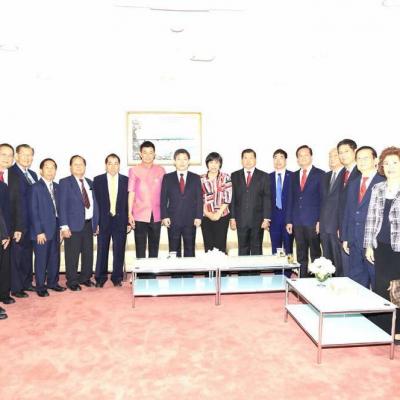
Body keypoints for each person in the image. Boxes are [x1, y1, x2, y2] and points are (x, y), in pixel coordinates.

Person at [364, 146, 400, 342]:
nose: (390, 167)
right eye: (387, 163)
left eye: (395, 163)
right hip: (381, 246)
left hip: (398, 248)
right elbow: (371, 218)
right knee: (380, 286)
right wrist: (369, 244)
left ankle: (398, 330)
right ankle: (382, 328)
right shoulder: (378, 188)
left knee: (398, 289)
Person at [341, 146, 384, 289]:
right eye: (359, 158)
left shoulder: (383, 182)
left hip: (374, 242)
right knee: (357, 283)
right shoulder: (353, 183)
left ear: (375, 160)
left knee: (377, 282)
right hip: (354, 240)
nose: (362, 161)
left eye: (366, 158)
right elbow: (348, 211)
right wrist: (345, 237)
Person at [59, 155, 99, 291]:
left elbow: (95, 204)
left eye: (81, 164)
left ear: (85, 167)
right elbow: (62, 205)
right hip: (72, 225)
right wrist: (64, 226)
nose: (78, 167)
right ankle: (72, 281)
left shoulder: (90, 182)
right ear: (70, 167)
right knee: (72, 255)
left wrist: (96, 223)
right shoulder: (65, 182)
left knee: (88, 253)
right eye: (75, 164)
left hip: (88, 224)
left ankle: (85, 278)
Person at [286, 145, 324, 278]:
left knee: (315, 254)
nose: (303, 158)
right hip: (297, 222)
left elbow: (323, 199)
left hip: (313, 222)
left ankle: (317, 280)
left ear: (311, 157)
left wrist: (320, 220)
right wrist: (289, 220)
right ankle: (302, 279)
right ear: (297, 159)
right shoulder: (293, 176)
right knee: (301, 254)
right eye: (300, 156)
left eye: (306, 155)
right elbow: (290, 199)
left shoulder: (321, 174)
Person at [30, 158, 66, 297]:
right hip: (41, 231)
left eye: (53, 168)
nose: (50, 170)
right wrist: (39, 231)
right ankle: (40, 286)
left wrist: (62, 228)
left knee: (54, 257)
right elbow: (33, 211)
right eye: (47, 167)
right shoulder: (35, 187)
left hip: (55, 228)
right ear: (41, 170)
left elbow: (60, 209)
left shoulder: (57, 187)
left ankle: (53, 283)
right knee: (41, 259)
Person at [93, 154, 129, 287]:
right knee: (102, 250)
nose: (113, 166)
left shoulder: (126, 180)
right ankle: (100, 278)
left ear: (119, 165)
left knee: (119, 250)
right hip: (103, 221)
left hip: (120, 220)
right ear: (106, 165)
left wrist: (128, 221)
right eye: (110, 163)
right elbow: (95, 204)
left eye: (116, 163)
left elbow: (129, 203)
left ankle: (117, 277)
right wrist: (96, 222)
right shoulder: (98, 180)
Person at [161, 149, 202, 257]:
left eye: (185, 159)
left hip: (191, 220)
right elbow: (163, 199)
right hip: (172, 220)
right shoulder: (167, 177)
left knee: (190, 250)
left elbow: (199, 199)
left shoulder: (196, 178)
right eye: (179, 159)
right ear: (174, 161)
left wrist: (199, 216)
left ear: (189, 161)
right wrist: (164, 216)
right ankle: (176, 269)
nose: (182, 162)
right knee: (174, 251)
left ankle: (189, 269)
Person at [9, 144, 38, 298]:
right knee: (17, 257)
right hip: (18, 224)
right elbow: (13, 202)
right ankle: (16, 287)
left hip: (31, 224)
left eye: (30, 155)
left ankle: (26, 282)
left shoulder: (32, 174)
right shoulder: (11, 172)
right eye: (24, 154)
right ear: (17, 156)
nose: (27, 158)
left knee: (27, 255)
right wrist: (17, 226)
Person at [230, 149, 271, 256]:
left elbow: (267, 198)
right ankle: (243, 268)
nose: (248, 161)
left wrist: (266, 218)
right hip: (241, 220)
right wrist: (232, 218)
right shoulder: (234, 176)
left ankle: (256, 268)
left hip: (258, 220)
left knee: (257, 250)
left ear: (255, 160)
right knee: (242, 250)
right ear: (241, 160)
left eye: (251, 158)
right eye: (245, 158)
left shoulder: (264, 176)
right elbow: (232, 198)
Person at [128, 141, 165, 259]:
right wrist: (129, 213)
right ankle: (140, 271)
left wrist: (165, 213)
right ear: (140, 154)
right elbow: (131, 192)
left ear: (154, 154)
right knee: (140, 249)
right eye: (145, 152)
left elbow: (165, 193)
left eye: (150, 152)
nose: (148, 155)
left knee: (154, 249)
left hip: (157, 214)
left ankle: (152, 271)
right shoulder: (134, 170)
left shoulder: (161, 170)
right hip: (139, 214)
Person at [0, 143, 23, 305]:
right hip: (2, 229)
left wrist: (17, 228)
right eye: (3, 154)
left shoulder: (15, 176)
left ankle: (3, 294)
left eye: (10, 155)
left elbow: (18, 204)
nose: (7, 158)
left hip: (7, 228)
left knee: (5, 264)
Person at [337, 139, 360, 276]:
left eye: (346, 151)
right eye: (340, 152)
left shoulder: (361, 172)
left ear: (355, 151)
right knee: (346, 268)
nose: (343, 155)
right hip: (344, 228)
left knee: (356, 272)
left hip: (356, 230)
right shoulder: (342, 173)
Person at [201, 152, 232, 254]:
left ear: (220, 164)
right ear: (207, 164)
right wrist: (208, 213)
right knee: (208, 246)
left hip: (222, 216)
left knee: (220, 245)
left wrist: (218, 214)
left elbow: (228, 197)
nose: (213, 165)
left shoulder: (226, 177)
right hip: (206, 216)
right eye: (211, 162)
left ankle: (221, 265)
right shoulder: (201, 179)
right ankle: (209, 265)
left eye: (216, 162)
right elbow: (198, 199)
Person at [319, 148, 344, 275]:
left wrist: (342, 226)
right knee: (327, 262)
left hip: (338, 226)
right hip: (324, 226)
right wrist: (319, 221)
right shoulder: (326, 176)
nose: (332, 158)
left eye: (335, 155)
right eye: (330, 156)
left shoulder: (347, 175)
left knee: (339, 262)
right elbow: (322, 201)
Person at [269, 149, 294, 258]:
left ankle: (289, 268)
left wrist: (290, 220)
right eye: (275, 158)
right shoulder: (268, 177)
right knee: (275, 250)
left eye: (281, 157)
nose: (278, 161)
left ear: (286, 160)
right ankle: (277, 269)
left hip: (289, 219)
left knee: (288, 249)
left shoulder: (293, 176)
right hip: (273, 220)